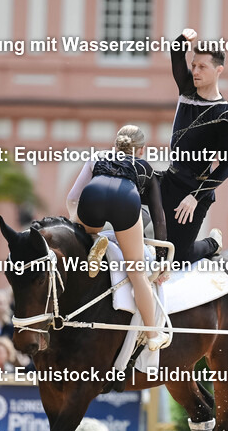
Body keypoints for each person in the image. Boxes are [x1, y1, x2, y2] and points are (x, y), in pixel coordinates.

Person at [66, 124, 170, 350]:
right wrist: (162, 260)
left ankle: (95, 238)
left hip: (93, 196)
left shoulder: (97, 158)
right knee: (137, 272)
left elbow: (73, 196)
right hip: (125, 201)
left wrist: (76, 222)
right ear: (141, 150)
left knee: (87, 232)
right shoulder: (145, 168)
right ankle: (152, 335)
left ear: (115, 145)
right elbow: (158, 216)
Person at [161, 27, 228, 263]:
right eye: (194, 65)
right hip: (170, 179)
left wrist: (195, 197)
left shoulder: (226, 116)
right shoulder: (187, 90)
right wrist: (183, 39)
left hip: (194, 192)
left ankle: (212, 243)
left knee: (178, 257)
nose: (195, 71)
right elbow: (176, 54)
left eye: (202, 67)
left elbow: (227, 166)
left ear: (219, 70)